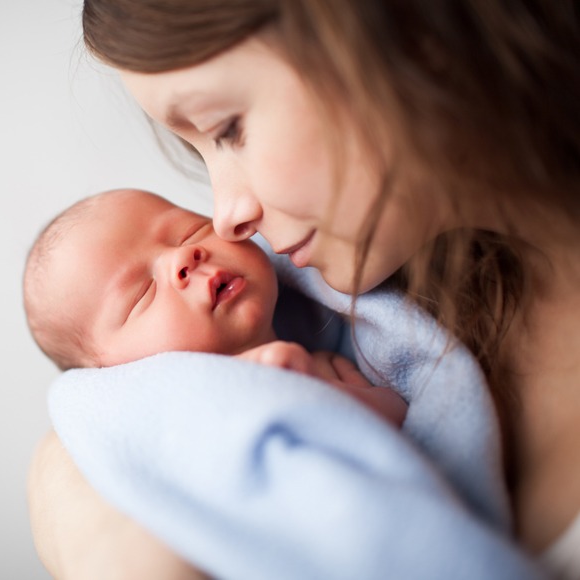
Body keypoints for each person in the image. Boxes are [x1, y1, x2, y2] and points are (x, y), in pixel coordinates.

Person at [29, 1, 580, 578]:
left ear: (403, 30)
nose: (225, 218)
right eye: (202, 151)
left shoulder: (365, 335)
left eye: (227, 129)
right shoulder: (416, 294)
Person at [23, 188, 408, 425]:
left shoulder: (322, 364)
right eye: (142, 293)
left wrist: (324, 394)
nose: (184, 257)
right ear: (116, 375)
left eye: (188, 231)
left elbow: (401, 417)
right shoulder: (175, 425)